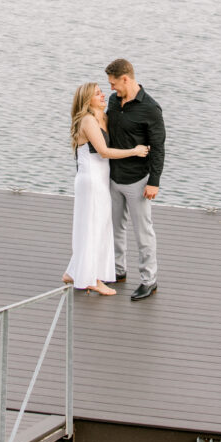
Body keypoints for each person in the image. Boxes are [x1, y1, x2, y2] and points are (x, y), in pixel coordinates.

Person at [63, 82, 149, 296]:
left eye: (102, 92)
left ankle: (74, 271)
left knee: (97, 225)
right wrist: (134, 151)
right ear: (87, 101)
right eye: (97, 94)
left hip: (101, 179)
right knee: (94, 227)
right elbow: (103, 152)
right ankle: (92, 279)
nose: (103, 95)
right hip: (91, 179)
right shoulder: (88, 120)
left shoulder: (104, 117)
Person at [105, 59, 165, 301]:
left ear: (126, 79)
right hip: (113, 177)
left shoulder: (150, 109)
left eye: (113, 83)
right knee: (115, 228)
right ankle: (118, 270)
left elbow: (159, 148)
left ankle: (149, 281)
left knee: (143, 233)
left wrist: (154, 181)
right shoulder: (113, 101)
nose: (111, 88)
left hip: (138, 181)